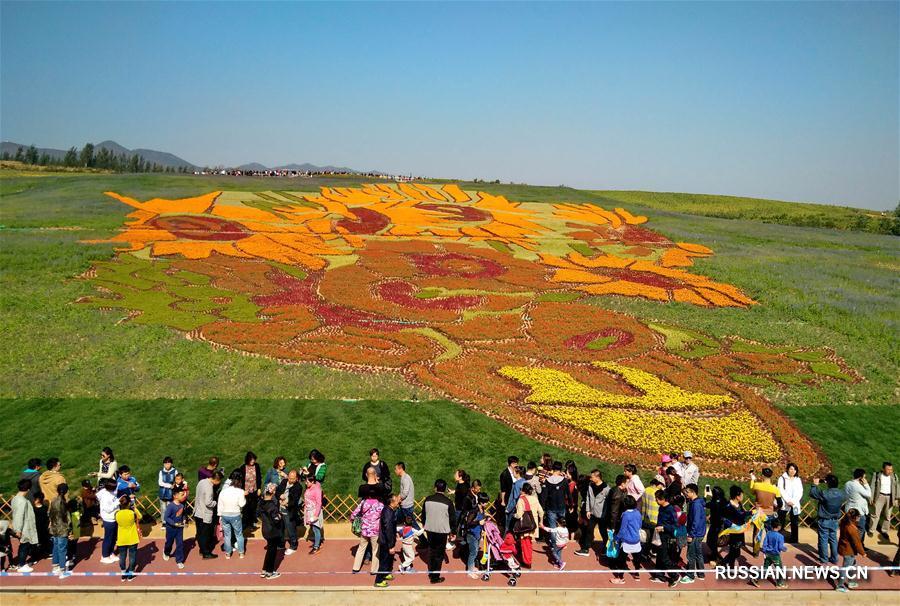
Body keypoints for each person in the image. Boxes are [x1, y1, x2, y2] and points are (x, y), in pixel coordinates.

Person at [422, 479, 455, 583]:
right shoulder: (448, 502)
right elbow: (452, 519)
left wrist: (425, 524)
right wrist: (452, 532)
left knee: (432, 550)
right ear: (445, 489)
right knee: (439, 554)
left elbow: (423, 515)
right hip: (442, 531)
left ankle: (432, 572)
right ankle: (435, 577)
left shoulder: (427, 499)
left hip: (430, 530)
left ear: (435, 488)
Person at [809, 474, 844, 564]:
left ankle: (824, 559)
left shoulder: (825, 493)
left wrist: (815, 484)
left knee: (823, 540)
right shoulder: (841, 493)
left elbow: (813, 493)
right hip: (835, 520)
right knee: (833, 539)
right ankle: (834, 558)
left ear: (828, 483)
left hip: (824, 520)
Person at [350, 486, 384, 575]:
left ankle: (355, 568)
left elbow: (353, 514)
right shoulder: (380, 504)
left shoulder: (363, 503)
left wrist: (353, 520)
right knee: (375, 550)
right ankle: (374, 570)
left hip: (364, 530)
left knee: (361, 548)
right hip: (375, 530)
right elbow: (384, 517)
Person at [576, 469, 609, 556]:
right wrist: (588, 510)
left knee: (603, 532)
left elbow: (608, 503)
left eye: (592, 477)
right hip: (592, 514)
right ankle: (585, 549)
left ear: (597, 477)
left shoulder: (606, 489)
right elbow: (588, 498)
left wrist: (605, 514)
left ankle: (606, 548)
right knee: (589, 530)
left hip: (602, 515)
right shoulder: (590, 486)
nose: (590, 478)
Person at [610, 495, 642, 584]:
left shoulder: (625, 515)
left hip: (626, 542)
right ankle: (637, 574)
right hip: (636, 540)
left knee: (621, 560)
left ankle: (621, 578)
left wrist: (616, 538)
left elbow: (622, 530)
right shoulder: (638, 513)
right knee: (637, 559)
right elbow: (639, 525)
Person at [650, 490, 679, 587]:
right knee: (659, 556)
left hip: (666, 537)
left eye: (657, 499)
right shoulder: (661, 507)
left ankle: (675, 576)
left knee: (665, 558)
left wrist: (663, 528)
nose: (656, 500)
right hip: (659, 536)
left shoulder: (671, 509)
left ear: (663, 499)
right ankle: (659, 575)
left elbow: (675, 525)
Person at [680, 483, 706, 583]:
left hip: (695, 534)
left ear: (692, 492)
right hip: (699, 533)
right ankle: (701, 573)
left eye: (687, 492)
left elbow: (695, 521)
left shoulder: (695, 504)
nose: (685, 493)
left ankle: (690, 576)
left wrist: (691, 534)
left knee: (691, 555)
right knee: (698, 553)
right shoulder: (699, 502)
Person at [513, 482, 543, 568]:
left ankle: (527, 561)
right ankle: (528, 559)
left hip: (525, 525)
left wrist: (514, 515)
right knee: (529, 542)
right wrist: (541, 522)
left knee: (525, 543)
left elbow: (519, 514)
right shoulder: (534, 499)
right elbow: (541, 511)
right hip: (533, 524)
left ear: (523, 491)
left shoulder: (521, 500)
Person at [11, 479, 38, 572]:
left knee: (24, 545)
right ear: (28, 489)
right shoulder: (22, 501)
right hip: (24, 527)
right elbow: (20, 515)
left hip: (21, 525)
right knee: (24, 545)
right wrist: (18, 530)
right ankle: (21, 565)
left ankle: (21, 563)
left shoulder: (15, 498)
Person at [374, 494, 401, 587]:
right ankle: (378, 580)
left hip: (388, 539)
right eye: (397, 500)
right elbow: (388, 529)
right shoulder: (388, 513)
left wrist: (395, 533)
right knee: (384, 561)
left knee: (388, 559)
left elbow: (391, 527)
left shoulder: (389, 510)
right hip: (386, 541)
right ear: (392, 502)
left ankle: (385, 574)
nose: (399, 501)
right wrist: (391, 546)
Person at [193, 470, 222, 559]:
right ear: (217, 480)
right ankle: (206, 552)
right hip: (204, 514)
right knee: (205, 534)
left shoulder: (201, 482)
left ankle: (202, 549)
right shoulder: (209, 487)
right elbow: (208, 503)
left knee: (200, 532)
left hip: (197, 511)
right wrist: (215, 503)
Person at [217, 473, 246, 559]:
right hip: (235, 515)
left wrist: (220, 515)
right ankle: (241, 552)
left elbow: (220, 504)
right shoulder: (240, 491)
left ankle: (228, 553)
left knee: (227, 535)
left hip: (225, 515)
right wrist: (244, 498)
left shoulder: (223, 491)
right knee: (239, 534)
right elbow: (241, 504)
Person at [721, 486, 750, 568]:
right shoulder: (728, 506)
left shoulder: (739, 504)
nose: (743, 497)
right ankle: (725, 563)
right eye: (742, 495)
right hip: (732, 532)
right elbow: (723, 518)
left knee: (735, 551)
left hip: (739, 530)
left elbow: (742, 514)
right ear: (737, 496)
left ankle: (729, 566)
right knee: (735, 551)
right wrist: (731, 525)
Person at [836, 509, 865, 592]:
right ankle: (840, 586)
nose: (859, 518)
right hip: (849, 551)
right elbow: (857, 542)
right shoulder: (852, 528)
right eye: (858, 516)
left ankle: (851, 582)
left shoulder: (844, 523)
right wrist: (862, 553)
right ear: (854, 517)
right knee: (845, 568)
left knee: (853, 565)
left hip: (844, 547)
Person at [259, 483, 283, 579]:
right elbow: (276, 518)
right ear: (272, 493)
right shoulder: (272, 506)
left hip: (265, 529)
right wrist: (280, 515)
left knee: (269, 550)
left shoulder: (261, 503)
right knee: (272, 552)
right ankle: (270, 572)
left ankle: (264, 569)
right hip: (272, 531)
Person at [755, 518, 788, 588]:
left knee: (765, 568)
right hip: (775, 555)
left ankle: (756, 579)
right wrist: (785, 549)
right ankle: (780, 583)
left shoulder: (768, 534)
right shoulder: (780, 536)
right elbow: (780, 547)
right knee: (779, 569)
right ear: (779, 527)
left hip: (767, 554)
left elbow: (764, 544)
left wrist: (765, 551)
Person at [869, 462, 897, 542]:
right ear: (883, 469)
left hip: (890, 497)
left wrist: (896, 498)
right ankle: (871, 530)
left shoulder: (894, 476)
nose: (890, 471)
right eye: (888, 469)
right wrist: (871, 497)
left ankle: (884, 531)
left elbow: (897, 486)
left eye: (891, 469)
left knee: (887, 516)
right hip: (879, 496)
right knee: (875, 514)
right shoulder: (877, 475)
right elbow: (872, 486)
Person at [276, 469, 302, 555]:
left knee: (291, 529)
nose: (290, 480)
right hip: (280, 509)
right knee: (280, 528)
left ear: (297, 478)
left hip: (289, 511)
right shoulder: (284, 481)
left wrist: (286, 503)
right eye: (290, 478)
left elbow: (294, 500)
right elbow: (277, 491)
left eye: (293, 479)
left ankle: (293, 546)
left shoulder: (298, 487)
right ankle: (281, 544)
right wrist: (280, 496)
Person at [462, 490, 488, 577]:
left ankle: (472, 567)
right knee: (473, 552)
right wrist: (478, 523)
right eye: (486, 502)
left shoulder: (482, 509)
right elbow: (468, 523)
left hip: (477, 533)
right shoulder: (474, 511)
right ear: (481, 502)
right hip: (471, 534)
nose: (487, 504)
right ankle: (469, 571)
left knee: (475, 552)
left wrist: (482, 529)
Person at [49, 483, 72, 578]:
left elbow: (50, 514)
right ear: (66, 491)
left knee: (55, 547)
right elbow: (66, 518)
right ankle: (62, 570)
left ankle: (55, 567)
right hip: (62, 528)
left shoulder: (53, 500)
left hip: (54, 527)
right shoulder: (63, 502)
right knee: (62, 549)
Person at [844, 468, 871, 548]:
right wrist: (866, 484)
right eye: (864, 477)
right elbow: (869, 494)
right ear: (861, 478)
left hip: (849, 510)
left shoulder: (848, 483)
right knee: (860, 529)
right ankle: (855, 545)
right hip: (858, 512)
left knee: (851, 528)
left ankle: (856, 544)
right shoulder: (858, 486)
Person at [115, 496, 140, 582]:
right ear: (129, 503)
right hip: (132, 538)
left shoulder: (117, 514)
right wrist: (134, 508)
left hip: (121, 539)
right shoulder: (132, 513)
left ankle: (123, 574)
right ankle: (130, 575)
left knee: (122, 556)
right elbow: (140, 517)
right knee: (132, 557)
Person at [777, 463, 803, 544]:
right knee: (781, 521)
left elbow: (800, 491)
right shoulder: (782, 478)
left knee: (794, 522)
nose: (793, 471)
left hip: (794, 504)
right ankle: (779, 539)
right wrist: (788, 500)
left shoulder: (798, 479)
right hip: (784, 503)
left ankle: (794, 539)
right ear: (787, 469)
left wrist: (793, 501)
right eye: (791, 469)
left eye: (794, 469)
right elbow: (781, 490)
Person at [162, 487, 187, 569]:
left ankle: (179, 560)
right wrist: (173, 523)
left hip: (179, 528)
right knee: (169, 543)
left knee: (180, 544)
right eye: (182, 494)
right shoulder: (170, 506)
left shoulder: (182, 505)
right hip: (171, 528)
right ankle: (166, 552)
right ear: (175, 496)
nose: (183, 496)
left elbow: (183, 515)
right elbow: (166, 517)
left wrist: (184, 520)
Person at [96, 478, 119, 564]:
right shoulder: (105, 496)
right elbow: (108, 509)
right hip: (109, 519)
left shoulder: (111, 492)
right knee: (108, 538)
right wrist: (118, 503)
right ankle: (104, 556)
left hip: (114, 518)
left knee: (113, 537)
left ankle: (111, 553)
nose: (116, 488)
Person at [543, 462, 567, 541]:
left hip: (551, 507)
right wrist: (570, 504)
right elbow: (568, 494)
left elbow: (545, 496)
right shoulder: (564, 480)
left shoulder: (547, 481)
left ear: (553, 469)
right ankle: (561, 540)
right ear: (560, 470)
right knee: (562, 526)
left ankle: (554, 544)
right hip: (561, 506)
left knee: (553, 528)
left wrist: (543, 507)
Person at [237, 451, 261, 531]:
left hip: (254, 490)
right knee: (246, 508)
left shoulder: (256, 466)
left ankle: (251, 524)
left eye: (254, 459)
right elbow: (240, 480)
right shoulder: (243, 467)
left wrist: (259, 488)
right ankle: (244, 524)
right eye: (251, 460)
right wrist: (242, 491)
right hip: (245, 491)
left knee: (253, 507)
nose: (253, 461)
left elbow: (259, 477)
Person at [705, 485, 727, 563]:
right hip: (722, 524)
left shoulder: (713, 503)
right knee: (714, 541)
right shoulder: (724, 500)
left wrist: (705, 495)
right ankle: (714, 555)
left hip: (715, 525)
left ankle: (717, 557)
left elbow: (704, 504)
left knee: (710, 541)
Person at [304, 474, 324, 554]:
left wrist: (316, 515)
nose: (306, 483)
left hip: (315, 511)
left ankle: (316, 547)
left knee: (316, 529)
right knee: (313, 528)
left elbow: (319, 503)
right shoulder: (309, 488)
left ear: (312, 481)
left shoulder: (317, 490)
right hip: (309, 511)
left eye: (307, 481)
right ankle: (317, 542)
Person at [497, 456, 519, 529]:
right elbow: (503, 489)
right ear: (512, 464)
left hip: (516, 497)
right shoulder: (504, 474)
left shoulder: (516, 471)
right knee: (508, 516)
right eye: (516, 463)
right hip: (508, 498)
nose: (517, 465)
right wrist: (503, 501)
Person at [395, 462, 417, 529]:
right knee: (396, 520)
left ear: (400, 469)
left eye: (396, 469)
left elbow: (405, 493)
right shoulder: (404, 477)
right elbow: (403, 491)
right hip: (404, 506)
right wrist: (398, 497)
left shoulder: (405, 479)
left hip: (407, 507)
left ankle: (423, 538)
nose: (395, 471)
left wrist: (398, 500)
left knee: (413, 524)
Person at [504, 465, 526, 534]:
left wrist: (508, 509)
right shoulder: (524, 482)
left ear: (518, 473)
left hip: (513, 509)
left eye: (513, 472)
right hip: (522, 507)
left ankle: (506, 542)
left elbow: (515, 498)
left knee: (508, 527)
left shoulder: (517, 484)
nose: (512, 473)